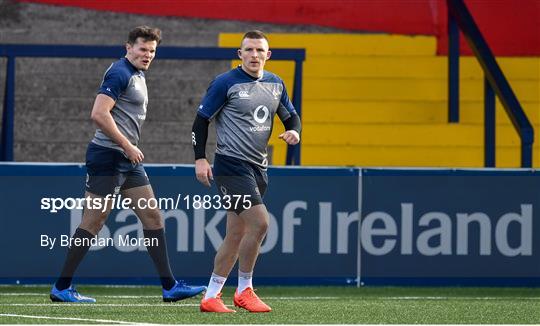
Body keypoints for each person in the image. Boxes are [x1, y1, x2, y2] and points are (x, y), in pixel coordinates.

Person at [50, 26, 206, 303]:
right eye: (143, 49)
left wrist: (128, 150)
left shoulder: (137, 74)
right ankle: (61, 287)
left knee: (153, 218)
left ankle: (169, 287)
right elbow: (98, 114)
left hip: (127, 161)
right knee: (94, 221)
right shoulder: (120, 72)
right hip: (108, 157)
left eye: (152, 51)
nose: (147, 55)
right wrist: (127, 144)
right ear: (128, 47)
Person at [192, 30, 301, 313]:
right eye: (249, 50)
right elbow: (201, 120)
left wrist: (293, 131)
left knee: (236, 233)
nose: (254, 55)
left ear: (268, 54)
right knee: (260, 222)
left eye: (259, 50)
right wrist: (200, 159)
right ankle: (244, 289)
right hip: (230, 165)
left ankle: (212, 295)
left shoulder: (276, 84)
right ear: (239, 54)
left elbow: (290, 115)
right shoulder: (225, 83)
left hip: (258, 167)